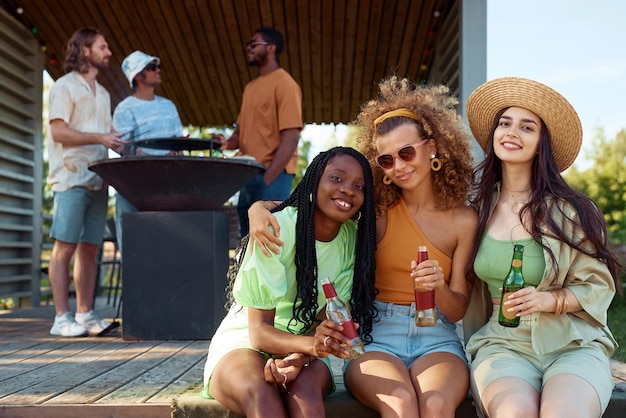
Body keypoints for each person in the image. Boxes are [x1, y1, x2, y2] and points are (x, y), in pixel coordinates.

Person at [249, 76, 478, 418]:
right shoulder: (375, 214)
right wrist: (258, 209)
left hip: (438, 338)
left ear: (431, 148)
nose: (398, 167)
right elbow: (308, 206)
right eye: (386, 160)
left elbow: (457, 309)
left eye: (406, 153)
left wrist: (439, 286)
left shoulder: (464, 221)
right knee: (399, 402)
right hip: (376, 333)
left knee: (436, 405)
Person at [463, 77, 622, 418]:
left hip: (572, 344)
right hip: (502, 344)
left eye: (527, 127)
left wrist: (547, 299)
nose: (511, 132)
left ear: (541, 144)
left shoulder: (572, 210)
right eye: (504, 123)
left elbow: (599, 285)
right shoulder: (474, 210)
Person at [201, 147, 377, 418]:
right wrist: (309, 348)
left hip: (307, 342)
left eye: (359, 186)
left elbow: (322, 323)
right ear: (314, 180)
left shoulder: (353, 241)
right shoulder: (276, 229)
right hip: (246, 338)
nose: (348, 190)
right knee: (263, 399)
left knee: (306, 395)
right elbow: (259, 331)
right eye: (337, 178)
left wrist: (301, 357)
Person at [47, 28, 126, 337]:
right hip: (70, 177)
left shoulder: (103, 93)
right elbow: (58, 132)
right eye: (102, 47)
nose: (108, 52)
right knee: (64, 247)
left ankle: (85, 313)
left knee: (89, 249)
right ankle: (60, 318)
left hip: (97, 179)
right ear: (85, 50)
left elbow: (107, 135)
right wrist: (100, 138)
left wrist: (118, 142)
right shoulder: (63, 87)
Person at [213, 27, 303, 238]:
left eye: (254, 44)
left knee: (270, 241)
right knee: (247, 241)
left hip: (272, 175)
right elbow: (240, 134)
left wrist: (267, 180)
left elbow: (291, 138)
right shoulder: (250, 88)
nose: (248, 48)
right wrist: (224, 143)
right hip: (246, 174)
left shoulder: (285, 84)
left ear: (271, 48)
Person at [113, 50, 184, 255]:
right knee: (134, 249)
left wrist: (175, 153)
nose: (158, 70)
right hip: (134, 188)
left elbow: (178, 142)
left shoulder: (169, 106)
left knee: (167, 249)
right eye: (152, 67)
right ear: (137, 75)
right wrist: (153, 158)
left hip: (169, 187)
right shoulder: (124, 109)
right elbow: (122, 148)